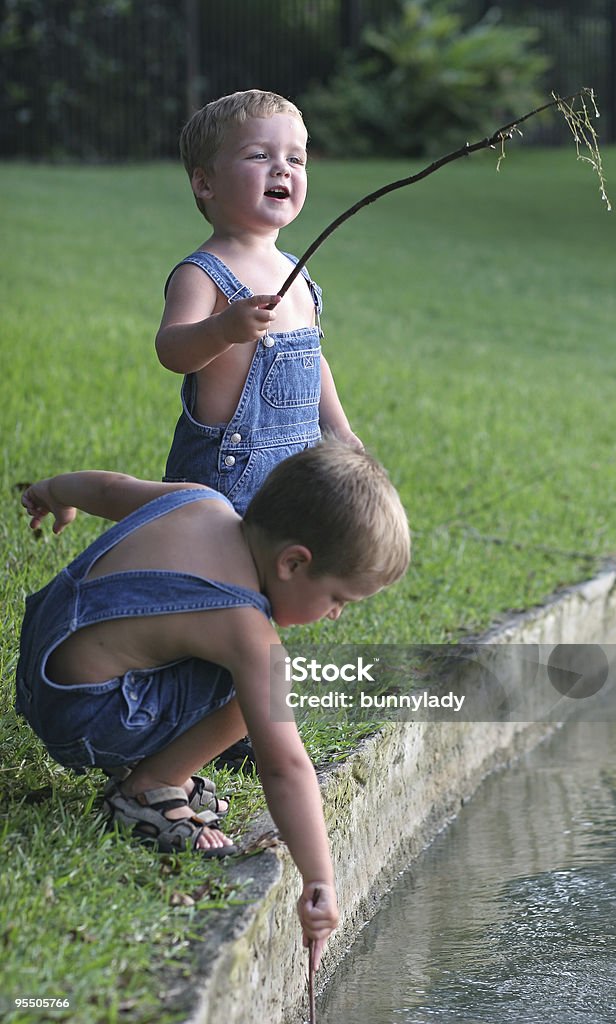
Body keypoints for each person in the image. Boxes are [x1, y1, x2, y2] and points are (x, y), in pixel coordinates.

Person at [15, 439, 410, 967]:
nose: (336, 614)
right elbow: (285, 766)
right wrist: (319, 879)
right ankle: (148, 789)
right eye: (338, 598)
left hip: (41, 668)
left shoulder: (202, 501)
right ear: (294, 562)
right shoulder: (247, 633)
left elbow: (109, 489)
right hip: (83, 718)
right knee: (262, 682)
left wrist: (51, 491)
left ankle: (156, 764)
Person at [157, 88, 361, 518]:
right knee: (213, 574)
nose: (282, 170)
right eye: (259, 156)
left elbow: (311, 360)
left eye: (295, 159)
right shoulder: (203, 272)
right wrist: (221, 330)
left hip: (296, 473)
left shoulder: (296, 271)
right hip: (223, 475)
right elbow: (172, 350)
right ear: (204, 182)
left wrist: (337, 428)